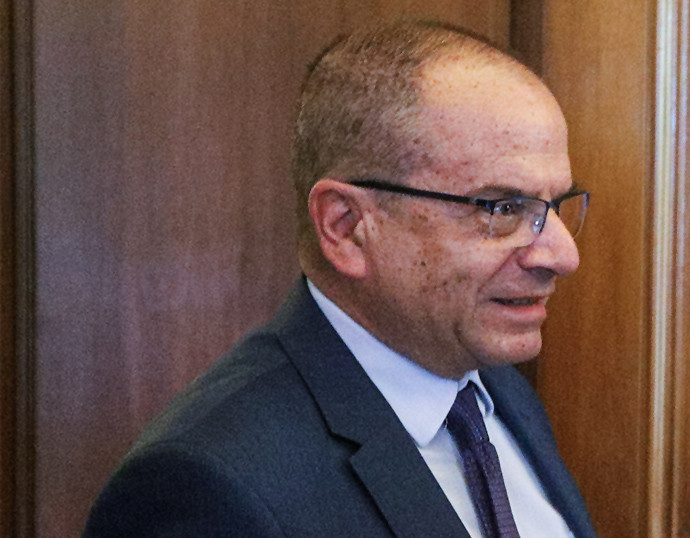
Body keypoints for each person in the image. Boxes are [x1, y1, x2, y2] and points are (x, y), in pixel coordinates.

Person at [84, 20, 596, 538]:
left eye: (555, 205)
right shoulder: (207, 485)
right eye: (503, 208)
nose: (562, 255)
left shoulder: (496, 392)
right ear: (346, 227)